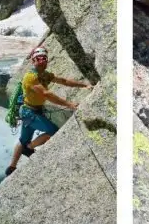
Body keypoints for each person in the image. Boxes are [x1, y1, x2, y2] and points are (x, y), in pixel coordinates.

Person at [5, 47, 92, 176]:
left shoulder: (44, 75)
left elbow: (63, 81)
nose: (41, 61)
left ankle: (11, 168)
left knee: (23, 140)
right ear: (33, 61)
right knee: (52, 132)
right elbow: (46, 94)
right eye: (38, 59)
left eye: (44, 58)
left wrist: (84, 85)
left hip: (29, 112)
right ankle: (29, 149)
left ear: (47, 60)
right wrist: (69, 104)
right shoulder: (31, 77)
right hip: (31, 113)